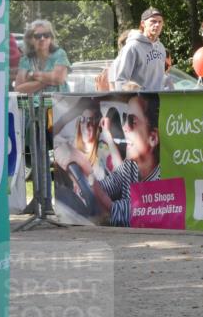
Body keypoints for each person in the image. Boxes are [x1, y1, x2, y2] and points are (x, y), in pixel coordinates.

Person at [55, 93, 160, 227]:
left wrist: (85, 168)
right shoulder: (130, 167)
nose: (124, 127)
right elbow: (105, 188)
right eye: (124, 119)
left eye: (132, 121)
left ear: (153, 138)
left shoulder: (161, 182)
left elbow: (112, 211)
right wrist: (82, 176)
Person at [112, 7, 168, 91]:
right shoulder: (133, 46)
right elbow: (121, 80)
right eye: (153, 21)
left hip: (159, 97)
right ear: (143, 23)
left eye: (160, 22)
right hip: (139, 98)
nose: (157, 25)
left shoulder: (161, 47)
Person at [14, 19, 71, 94]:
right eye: (37, 36)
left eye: (46, 35)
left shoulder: (59, 54)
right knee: (22, 99)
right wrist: (49, 80)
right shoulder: (26, 59)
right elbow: (19, 88)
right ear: (30, 40)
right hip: (35, 101)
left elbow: (58, 78)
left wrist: (32, 75)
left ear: (51, 38)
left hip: (59, 100)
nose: (42, 38)